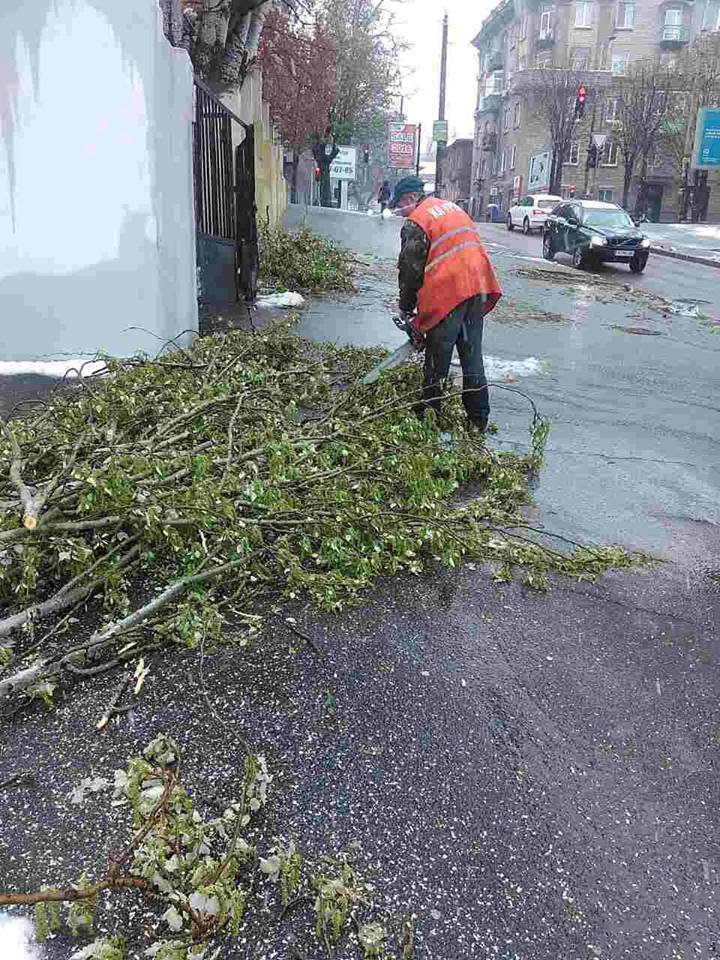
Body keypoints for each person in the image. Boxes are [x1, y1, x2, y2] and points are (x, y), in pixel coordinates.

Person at [392, 175, 502, 433]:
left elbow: (410, 271)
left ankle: (428, 418)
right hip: (477, 286)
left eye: (400, 206)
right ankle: (478, 419)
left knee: (437, 357)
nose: (401, 213)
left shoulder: (417, 221)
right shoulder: (450, 207)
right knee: (471, 356)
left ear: (409, 199)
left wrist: (407, 310)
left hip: (451, 289)